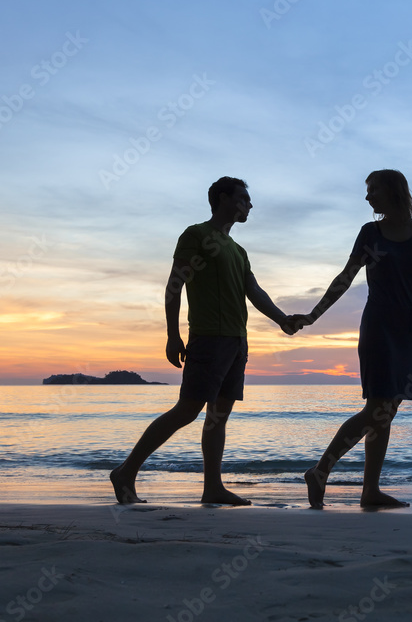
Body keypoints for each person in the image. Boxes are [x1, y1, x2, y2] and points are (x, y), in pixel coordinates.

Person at [110, 177, 297, 505]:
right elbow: (174, 286)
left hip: (238, 341)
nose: (249, 205)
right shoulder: (195, 235)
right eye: (244, 198)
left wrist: (282, 319)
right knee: (187, 410)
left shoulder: (238, 251)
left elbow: (253, 292)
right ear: (224, 199)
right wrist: (172, 334)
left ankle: (213, 487)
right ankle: (126, 471)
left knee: (218, 416)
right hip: (208, 338)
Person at [295, 169, 412, 509]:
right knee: (377, 408)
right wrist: (313, 315)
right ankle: (320, 471)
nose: (367, 197)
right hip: (379, 329)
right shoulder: (370, 233)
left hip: (408, 332)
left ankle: (370, 490)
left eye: (373, 190)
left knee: (387, 412)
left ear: (393, 190)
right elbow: (345, 277)